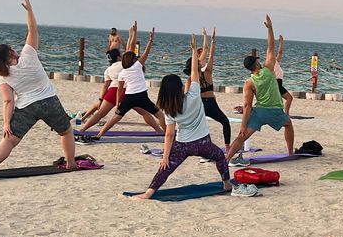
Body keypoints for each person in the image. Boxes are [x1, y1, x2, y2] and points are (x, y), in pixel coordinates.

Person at [130, 34, 232, 200]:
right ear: (179, 87)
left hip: (182, 145)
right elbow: (194, 72)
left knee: (166, 168)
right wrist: (193, 50)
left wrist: (165, 157)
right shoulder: (193, 94)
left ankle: (149, 192)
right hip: (203, 143)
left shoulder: (169, 109)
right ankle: (226, 183)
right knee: (220, 157)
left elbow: (169, 135)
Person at [0, 0, 77, 173]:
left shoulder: (3, 75)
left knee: (10, 140)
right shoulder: (28, 55)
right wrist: (29, 10)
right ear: (11, 52)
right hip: (49, 101)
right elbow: (32, 29)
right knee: (66, 131)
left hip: (27, 107)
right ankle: (71, 163)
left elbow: (8, 102)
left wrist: (6, 124)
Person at [226, 15, 296, 162]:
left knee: (242, 136)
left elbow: (247, 105)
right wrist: (270, 28)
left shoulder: (249, 83)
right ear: (257, 64)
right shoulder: (269, 70)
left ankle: (226, 159)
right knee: (288, 124)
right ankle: (290, 153)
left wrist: (243, 125)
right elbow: (271, 47)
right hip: (275, 111)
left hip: (259, 113)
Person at [85, 25, 166, 138]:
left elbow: (117, 88)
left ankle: (98, 133)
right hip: (141, 96)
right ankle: (166, 133)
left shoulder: (119, 72)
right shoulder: (137, 66)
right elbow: (144, 51)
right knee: (158, 115)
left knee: (113, 117)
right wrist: (149, 39)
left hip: (127, 97)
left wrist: (118, 103)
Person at [185, 27, 230, 146]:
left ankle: (196, 144)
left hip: (201, 104)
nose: (200, 62)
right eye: (198, 62)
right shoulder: (204, 74)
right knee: (225, 122)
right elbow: (211, 56)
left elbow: (186, 96)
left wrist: (197, 48)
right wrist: (213, 41)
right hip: (208, 103)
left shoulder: (191, 79)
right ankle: (227, 147)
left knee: (198, 127)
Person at [76, 47, 124, 132]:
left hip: (112, 91)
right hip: (127, 91)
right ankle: (156, 127)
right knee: (145, 111)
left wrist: (101, 99)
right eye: (121, 54)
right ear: (118, 57)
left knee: (100, 113)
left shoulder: (108, 70)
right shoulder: (125, 64)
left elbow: (106, 85)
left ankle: (82, 129)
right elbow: (130, 46)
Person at [274, 35, 293, 116]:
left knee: (277, 101)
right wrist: (281, 42)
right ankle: (286, 114)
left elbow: (280, 53)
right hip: (276, 83)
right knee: (289, 98)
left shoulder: (274, 63)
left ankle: (283, 113)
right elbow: (280, 52)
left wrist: (281, 42)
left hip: (277, 83)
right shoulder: (274, 63)